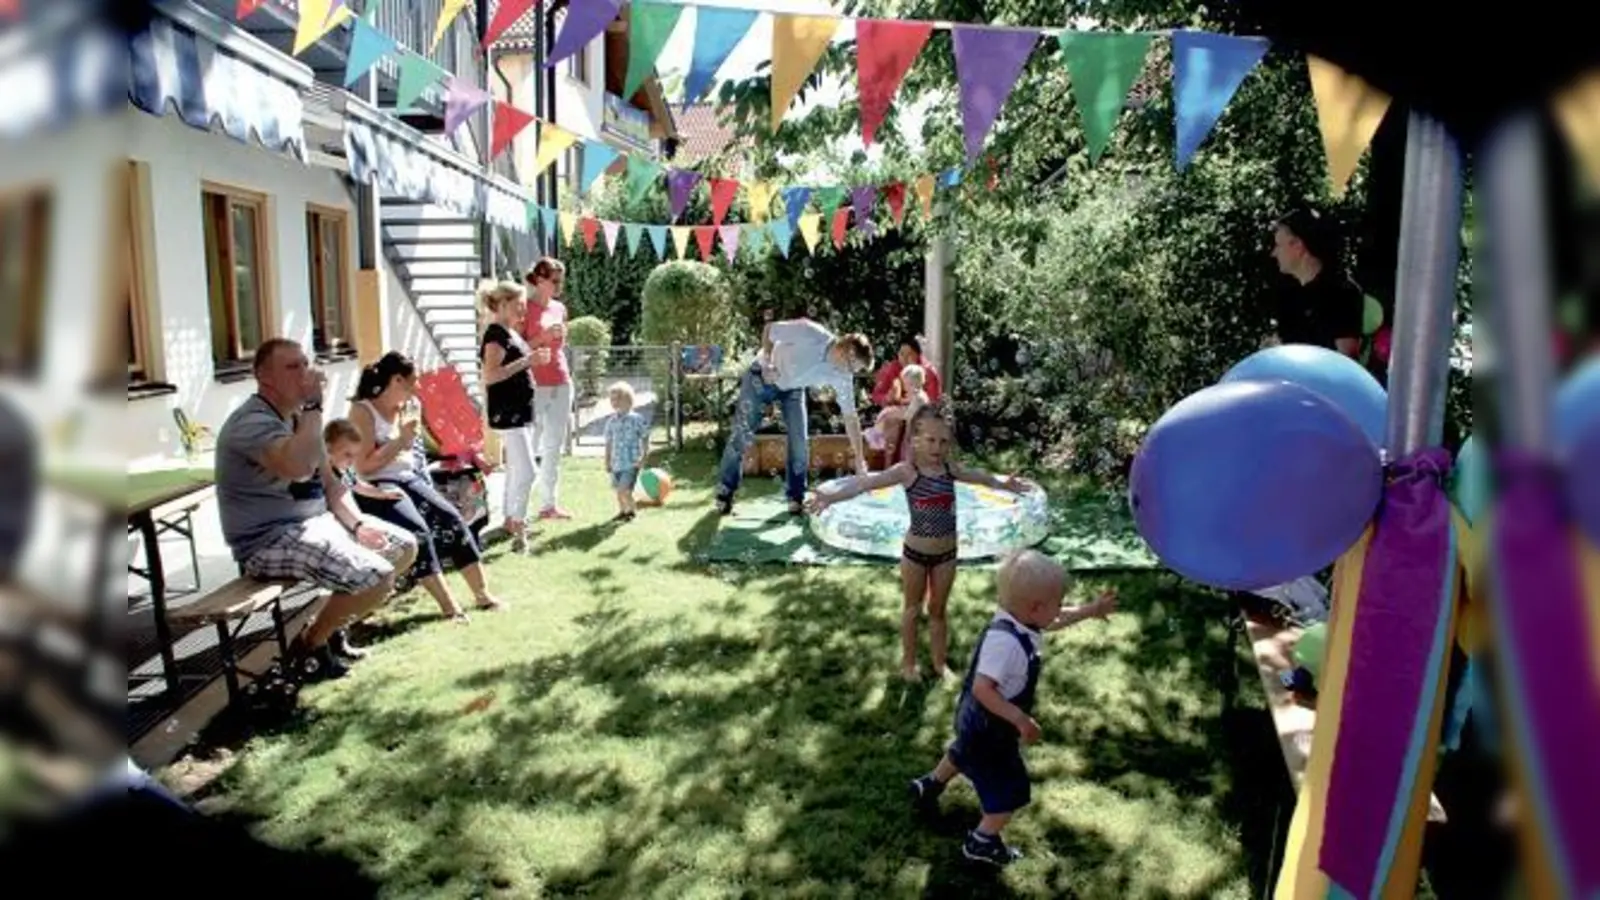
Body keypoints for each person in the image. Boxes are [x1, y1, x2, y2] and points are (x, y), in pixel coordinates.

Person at [214, 339, 418, 680]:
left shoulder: (297, 419)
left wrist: (358, 526)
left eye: (305, 364)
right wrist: (313, 408)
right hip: (269, 540)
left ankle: (327, 631)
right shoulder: (251, 423)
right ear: (264, 377)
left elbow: (332, 485)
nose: (304, 374)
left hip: (314, 526)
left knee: (403, 547)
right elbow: (296, 467)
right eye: (292, 367)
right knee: (377, 577)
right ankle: (309, 647)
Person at [907, 550, 1117, 866]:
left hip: (972, 722)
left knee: (964, 750)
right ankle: (982, 842)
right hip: (991, 730)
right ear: (1035, 608)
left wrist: (1091, 610)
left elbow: (1053, 618)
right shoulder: (1006, 645)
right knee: (1009, 790)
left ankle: (930, 784)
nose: (1060, 609)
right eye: (1058, 603)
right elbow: (983, 688)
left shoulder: (1015, 619)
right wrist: (1020, 719)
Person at [807, 405, 1033, 682]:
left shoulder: (949, 470)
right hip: (915, 554)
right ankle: (909, 665)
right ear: (914, 440)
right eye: (931, 440)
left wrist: (1004, 483)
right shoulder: (907, 472)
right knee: (912, 610)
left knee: (938, 610)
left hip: (946, 555)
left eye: (943, 441)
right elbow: (864, 485)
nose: (938, 447)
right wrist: (831, 497)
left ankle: (940, 664)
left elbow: (980, 477)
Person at [346, 352, 504, 620]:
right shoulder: (363, 411)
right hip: (377, 486)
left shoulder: (409, 407)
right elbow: (363, 467)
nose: (417, 387)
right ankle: (450, 609)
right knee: (418, 531)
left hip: (409, 478)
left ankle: (483, 596)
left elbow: (420, 450)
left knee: (452, 519)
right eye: (413, 381)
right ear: (396, 380)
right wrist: (400, 441)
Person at [715, 316, 875, 517]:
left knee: (799, 442)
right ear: (847, 352)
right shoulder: (810, 332)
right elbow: (769, 330)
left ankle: (796, 498)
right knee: (741, 435)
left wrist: (859, 458)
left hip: (792, 389)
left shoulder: (843, 376)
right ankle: (725, 493)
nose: (851, 373)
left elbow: (851, 418)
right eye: (853, 367)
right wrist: (767, 364)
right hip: (761, 377)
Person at [478, 279, 545, 552]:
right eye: (519, 305)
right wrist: (528, 361)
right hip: (508, 414)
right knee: (528, 471)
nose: (523, 310)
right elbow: (490, 375)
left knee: (517, 469)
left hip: (519, 411)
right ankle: (519, 524)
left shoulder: (509, 333)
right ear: (503, 304)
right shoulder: (495, 336)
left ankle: (509, 521)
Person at [1266, 207, 1366, 359]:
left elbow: (1345, 362)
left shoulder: (1341, 293)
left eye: (1278, 245)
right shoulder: (1288, 296)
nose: (1273, 253)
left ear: (1298, 245)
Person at [521, 258, 574, 521]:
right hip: (534, 383)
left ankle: (548, 505)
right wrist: (542, 338)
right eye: (554, 280)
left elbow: (561, 345)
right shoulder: (523, 308)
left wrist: (558, 337)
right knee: (528, 445)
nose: (559, 285)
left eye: (561, 280)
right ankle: (518, 510)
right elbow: (517, 348)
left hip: (561, 380)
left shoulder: (559, 308)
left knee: (554, 446)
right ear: (539, 280)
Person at [871, 336, 943, 467]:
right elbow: (877, 395)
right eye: (901, 354)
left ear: (918, 355)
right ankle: (886, 464)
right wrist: (887, 398)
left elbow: (933, 402)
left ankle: (897, 462)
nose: (904, 358)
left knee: (892, 418)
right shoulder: (893, 368)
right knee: (890, 419)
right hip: (903, 413)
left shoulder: (928, 371)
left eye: (909, 354)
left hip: (920, 414)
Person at [603, 381, 651, 523]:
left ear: (628, 399)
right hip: (616, 462)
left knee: (624, 490)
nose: (614, 402)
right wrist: (607, 461)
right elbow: (609, 443)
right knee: (618, 491)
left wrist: (644, 455)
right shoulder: (611, 422)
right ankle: (623, 511)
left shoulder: (637, 419)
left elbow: (645, 437)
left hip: (631, 462)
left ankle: (631, 511)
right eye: (612, 399)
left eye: (617, 399)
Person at [873, 363, 930, 465]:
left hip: (916, 432)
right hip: (912, 431)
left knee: (909, 451)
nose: (905, 388)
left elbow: (909, 415)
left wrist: (895, 413)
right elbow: (908, 403)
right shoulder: (917, 395)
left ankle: (910, 467)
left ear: (914, 383)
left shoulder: (919, 398)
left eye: (907, 384)